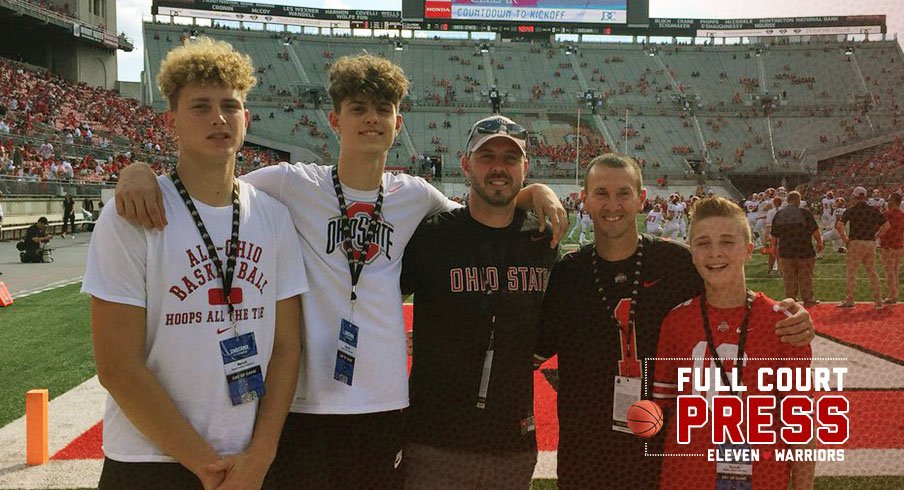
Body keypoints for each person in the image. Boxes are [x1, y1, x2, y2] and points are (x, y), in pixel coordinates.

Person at [113, 53, 567, 490]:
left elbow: (480, 210)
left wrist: (535, 192)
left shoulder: (415, 195)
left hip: (384, 400)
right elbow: (211, 184)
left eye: (382, 109)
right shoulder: (292, 182)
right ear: (335, 121)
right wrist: (139, 172)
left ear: (397, 124)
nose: (371, 118)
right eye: (357, 109)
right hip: (305, 401)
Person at [82, 37, 307, 490]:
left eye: (230, 105)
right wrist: (206, 465)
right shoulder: (131, 216)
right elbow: (118, 366)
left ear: (247, 118)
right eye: (200, 106)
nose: (219, 117)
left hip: (247, 459)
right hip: (149, 459)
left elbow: (286, 347)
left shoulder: (273, 216)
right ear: (171, 121)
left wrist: (261, 454)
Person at [534, 153, 814, 490]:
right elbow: (531, 351)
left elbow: (729, 289)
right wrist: (532, 191)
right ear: (585, 199)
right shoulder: (569, 273)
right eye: (601, 193)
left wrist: (789, 314)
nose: (613, 204)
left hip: (660, 456)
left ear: (641, 199)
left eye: (623, 193)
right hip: (587, 454)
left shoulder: (677, 262)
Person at [401, 115, 558, 488]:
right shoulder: (432, 236)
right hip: (434, 442)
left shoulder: (542, 240)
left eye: (510, 157)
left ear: (525, 168)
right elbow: (377, 300)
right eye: (487, 157)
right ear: (466, 164)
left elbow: (554, 322)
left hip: (513, 443)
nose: (499, 168)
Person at [653, 196, 815, 489]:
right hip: (686, 477)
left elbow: (801, 427)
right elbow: (663, 413)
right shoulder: (676, 322)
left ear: (749, 250)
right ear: (691, 253)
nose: (715, 253)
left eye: (727, 242)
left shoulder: (783, 323)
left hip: (762, 477)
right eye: (703, 243)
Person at [836, 186, 889, 308]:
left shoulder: (851, 210)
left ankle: (849, 300)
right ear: (865, 196)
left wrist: (845, 240)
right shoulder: (873, 210)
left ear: (855, 197)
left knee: (852, 273)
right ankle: (878, 301)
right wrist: (876, 236)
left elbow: (839, 226)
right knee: (872, 272)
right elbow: (886, 225)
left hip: (855, 243)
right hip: (870, 243)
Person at [771, 191, 822, 307]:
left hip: (786, 251)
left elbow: (774, 235)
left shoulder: (779, 214)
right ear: (798, 200)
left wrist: (773, 248)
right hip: (804, 250)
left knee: (789, 278)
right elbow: (815, 230)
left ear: (788, 200)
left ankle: (791, 300)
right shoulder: (804, 213)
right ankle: (808, 299)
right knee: (805, 277)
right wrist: (819, 242)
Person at [880, 193, 904, 304]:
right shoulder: (902, 215)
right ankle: (895, 293)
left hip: (887, 246)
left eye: (889, 200)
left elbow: (880, 228)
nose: (887, 202)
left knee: (889, 272)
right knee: (895, 270)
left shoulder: (887, 214)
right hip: (898, 246)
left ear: (893, 201)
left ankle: (892, 295)